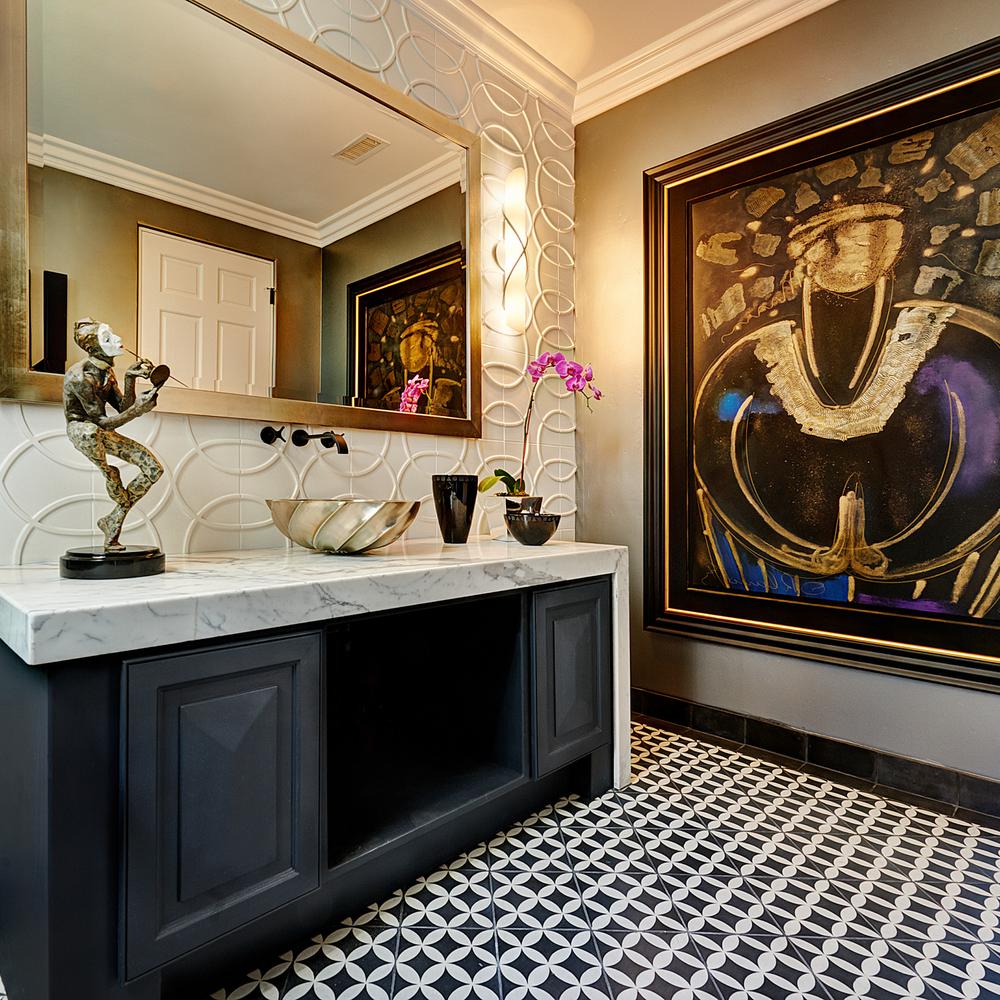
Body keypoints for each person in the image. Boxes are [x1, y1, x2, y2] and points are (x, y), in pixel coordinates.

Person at [63, 318, 163, 551]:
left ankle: (113, 520)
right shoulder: (80, 377)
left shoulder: (107, 371)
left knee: (153, 469)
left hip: (101, 431)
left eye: (112, 334)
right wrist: (137, 411)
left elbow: (122, 408)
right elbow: (100, 422)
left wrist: (130, 378)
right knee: (90, 432)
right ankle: (109, 473)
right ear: (93, 348)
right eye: (107, 338)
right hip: (83, 430)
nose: (117, 339)